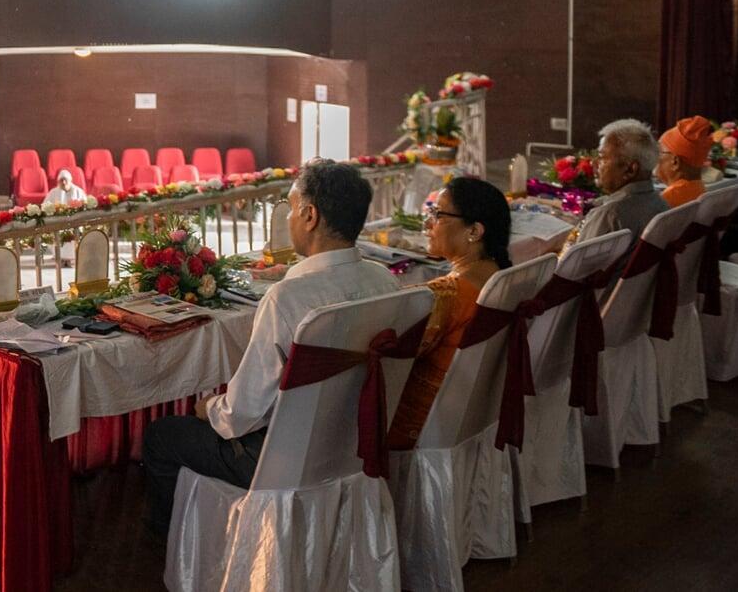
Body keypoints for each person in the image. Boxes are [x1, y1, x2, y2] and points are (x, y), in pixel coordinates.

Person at [142, 160, 398, 531]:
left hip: (283, 460)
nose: (290, 218)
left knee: (161, 437)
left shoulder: (288, 297)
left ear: (309, 215)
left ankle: (175, 545)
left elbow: (242, 414)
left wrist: (209, 408)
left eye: (292, 208)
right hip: (358, 442)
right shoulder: (385, 280)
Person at [386, 177, 513, 448]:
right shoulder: (502, 278)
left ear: (474, 231)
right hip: (475, 416)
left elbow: (392, 354)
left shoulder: (447, 296)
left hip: (423, 424)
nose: (427, 224)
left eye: (438, 215)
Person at [574, 118, 670, 245]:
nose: (594, 163)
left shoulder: (610, 215)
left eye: (602, 158)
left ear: (630, 170)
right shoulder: (660, 203)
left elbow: (576, 257)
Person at [658, 116, 713, 207]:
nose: (656, 158)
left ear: (675, 162)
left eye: (659, 152)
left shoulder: (666, 200)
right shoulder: (699, 189)